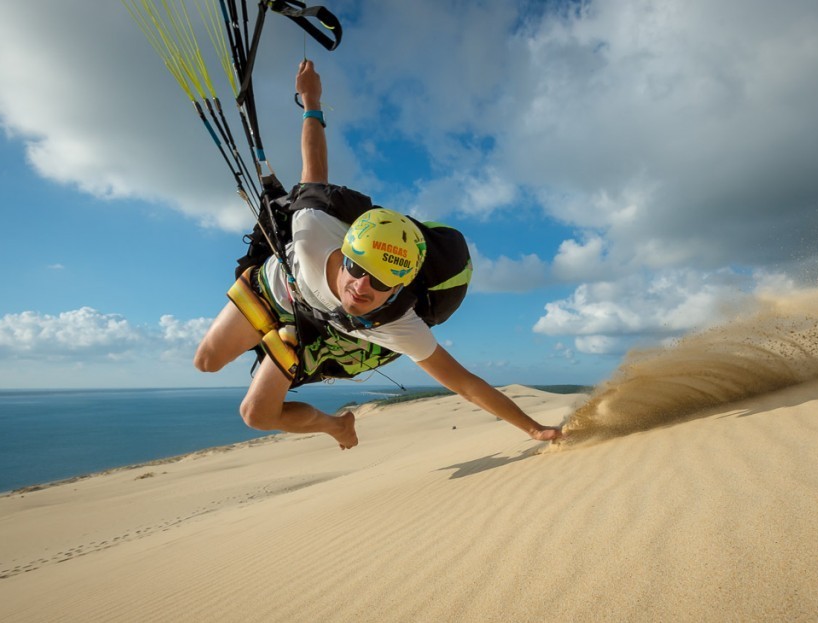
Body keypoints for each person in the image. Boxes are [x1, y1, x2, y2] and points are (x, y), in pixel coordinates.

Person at [194, 59, 562, 449]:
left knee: (256, 415)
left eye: (383, 281)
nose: (362, 286)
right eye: (357, 267)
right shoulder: (312, 230)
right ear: (346, 249)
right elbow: (314, 163)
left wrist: (534, 429)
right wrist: (312, 100)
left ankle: (336, 425)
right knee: (206, 361)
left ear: (400, 287)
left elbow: (466, 384)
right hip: (275, 286)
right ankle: (277, 339)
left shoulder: (397, 322)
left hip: (312, 330)